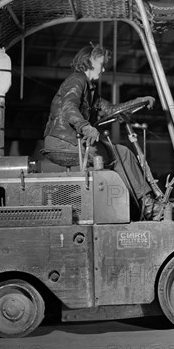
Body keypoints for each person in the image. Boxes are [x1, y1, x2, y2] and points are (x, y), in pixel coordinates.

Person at [43, 43, 160, 218]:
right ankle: (147, 205)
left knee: (123, 153)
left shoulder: (90, 92)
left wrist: (139, 100)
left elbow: (112, 109)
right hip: (62, 143)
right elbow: (68, 107)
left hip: (70, 142)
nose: (104, 68)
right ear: (90, 60)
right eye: (101, 63)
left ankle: (141, 206)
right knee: (121, 155)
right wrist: (85, 126)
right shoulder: (77, 80)